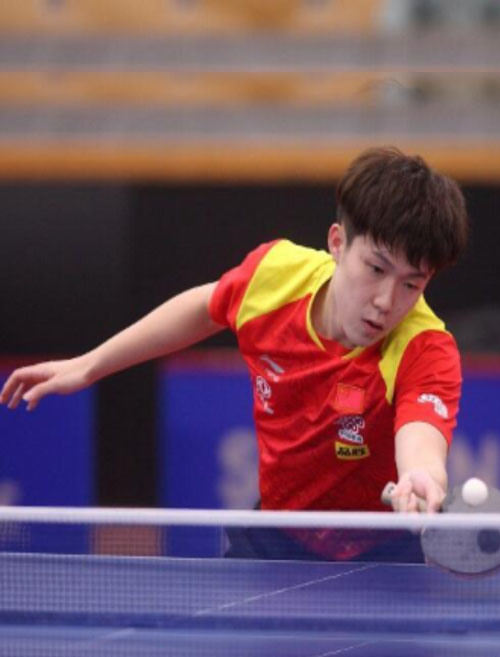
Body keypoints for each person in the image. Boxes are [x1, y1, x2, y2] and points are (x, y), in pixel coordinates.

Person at [0, 147, 468, 561]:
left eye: (411, 284)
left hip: (383, 552)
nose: (386, 301)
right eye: (376, 269)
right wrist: (88, 366)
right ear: (337, 243)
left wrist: (421, 478)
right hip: (273, 537)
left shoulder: (424, 348)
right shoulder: (275, 278)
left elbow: (421, 441)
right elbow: (205, 307)